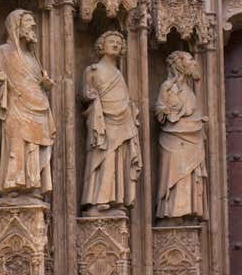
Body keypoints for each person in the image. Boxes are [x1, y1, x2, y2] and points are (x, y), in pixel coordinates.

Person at [0, 9, 56, 205]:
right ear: (16, 27)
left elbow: (37, 80)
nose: (33, 27)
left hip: (37, 105)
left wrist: (45, 82)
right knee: (17, 144)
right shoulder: (4, 50)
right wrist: (1, 78)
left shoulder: (32, 57)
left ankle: (32, 184)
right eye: (29, 23)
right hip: (17, 104)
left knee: (34, 148)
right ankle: (14, 184)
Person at [81, 31, 142, 217]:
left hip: (123, 121)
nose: (115, 44)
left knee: (119, 160)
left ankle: (116, 199)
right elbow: (85, 93)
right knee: (105, 159)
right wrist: (90, 96)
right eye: (111, 41)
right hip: (104, 122)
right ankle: (99, 200)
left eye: (118, 42)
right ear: (102, 45)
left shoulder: (118, 73)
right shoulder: (93, 70)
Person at [156, 51, 207, 219]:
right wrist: (163, 111)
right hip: (174, 140)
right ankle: (172, 214)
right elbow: (160, 110)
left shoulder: (190, 90)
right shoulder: (168, 87)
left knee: (189, 175)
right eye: (190, 59)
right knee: (175, 176)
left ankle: (188, 211)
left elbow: (196, 110)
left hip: (192, 139)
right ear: (180, 64)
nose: (194, 63)